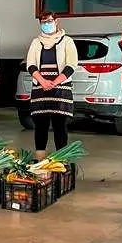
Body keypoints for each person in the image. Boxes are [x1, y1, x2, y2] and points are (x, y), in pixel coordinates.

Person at [25, 11, 78, 160]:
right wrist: (42, 81)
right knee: (40, 126)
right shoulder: (36, 42)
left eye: (49, 21)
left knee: (60, 126)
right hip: (40, 89)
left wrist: (55, 82)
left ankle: (61, 160)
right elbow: (31, 65)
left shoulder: (67, 41)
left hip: (61, 90)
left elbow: (71, 65)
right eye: (43, 22)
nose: (46, 25)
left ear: (56, 21)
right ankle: (41, 160)